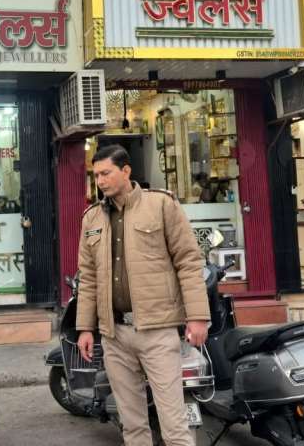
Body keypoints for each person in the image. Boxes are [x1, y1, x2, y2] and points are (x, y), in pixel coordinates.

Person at [76, 145, 210, 446]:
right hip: (114, 335)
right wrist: (85, 328)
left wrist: (198, 317)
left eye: (106, 173)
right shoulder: (92, 218)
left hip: (157, 330)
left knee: (174, 424)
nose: (100, 181)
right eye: (96, 175)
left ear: (126, 171)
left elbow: (188, 261)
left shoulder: (161, 205)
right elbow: (89, 277)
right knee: (132, 425)